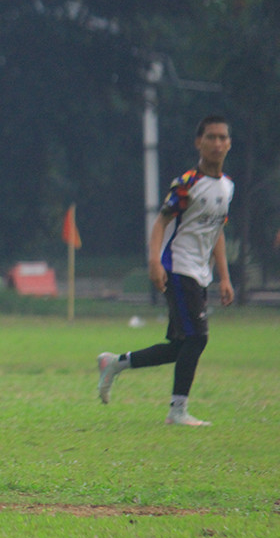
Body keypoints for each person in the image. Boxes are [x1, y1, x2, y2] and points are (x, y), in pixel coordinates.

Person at [97, 115, 234, 426]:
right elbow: (160, 222)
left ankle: (114, 363)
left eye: (222, 137)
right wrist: (154, 261)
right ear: (199, 142)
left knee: (180, 346)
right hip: (178, 267)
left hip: (200, 273)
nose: (216, 143)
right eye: (210, 137)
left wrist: (224, 277)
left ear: (229, 144)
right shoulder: (187, 184)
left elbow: (217, 233)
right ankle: (177, 411)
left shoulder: (227, 187)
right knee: (197, 338)